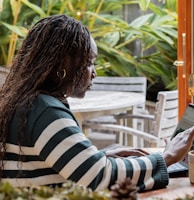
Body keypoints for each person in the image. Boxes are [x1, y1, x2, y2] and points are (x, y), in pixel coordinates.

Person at [0, 14, 194, 192]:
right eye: (89, 63)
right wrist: (167, 157)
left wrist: (99, 157)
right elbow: (100, 177)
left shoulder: (29, 103)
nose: (94, 72)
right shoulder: (46, 112)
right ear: (63, 67)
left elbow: (59, 166)